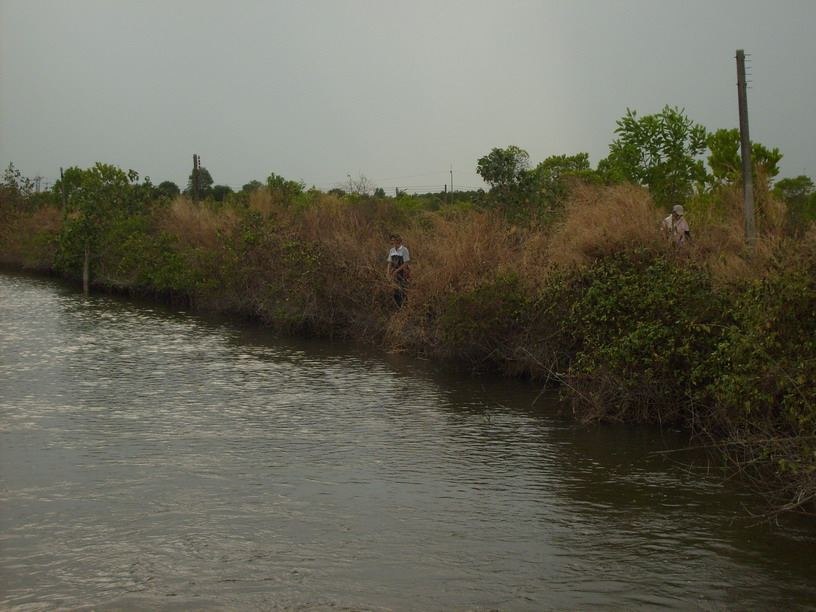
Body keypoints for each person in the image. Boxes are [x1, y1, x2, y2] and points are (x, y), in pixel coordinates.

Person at [386, 234, 411, 307]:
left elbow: (406, 262)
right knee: (395, 290)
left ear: (399, 240)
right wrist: (388, 272)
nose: (393, 242)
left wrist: (397, 270)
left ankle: (405, 307)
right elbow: (390, 262)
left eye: (395, 240)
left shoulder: (404, 249)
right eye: (392, 240)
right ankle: (397, 307)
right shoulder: (392, 250)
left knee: (402, 290)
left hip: (402, 272)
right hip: (394, 273)